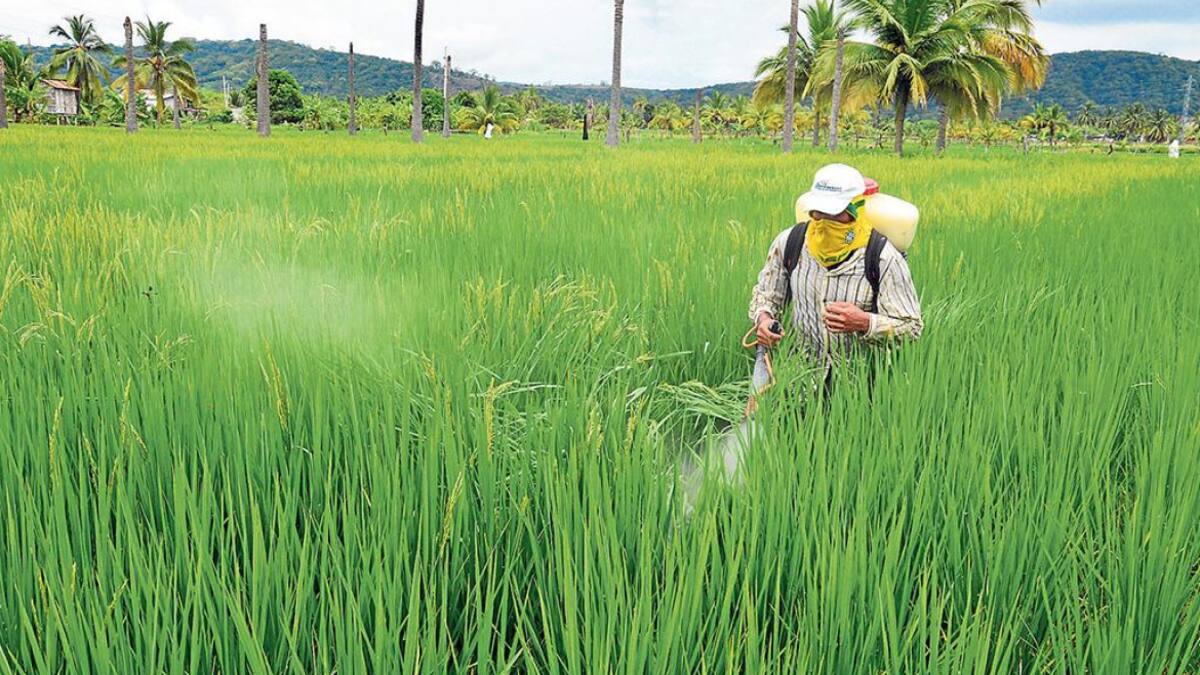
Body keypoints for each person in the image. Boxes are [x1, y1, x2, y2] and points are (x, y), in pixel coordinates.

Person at [748, 164, 923, 384]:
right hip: (800, 378)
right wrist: (764, 320)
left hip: (860, 384)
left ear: (854, 210)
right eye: (817, 212)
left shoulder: (882, 257)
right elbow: (766, 296)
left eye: (833, 212)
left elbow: (911, 328)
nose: (823, 219)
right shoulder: (790, 242)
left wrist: (864, 322)